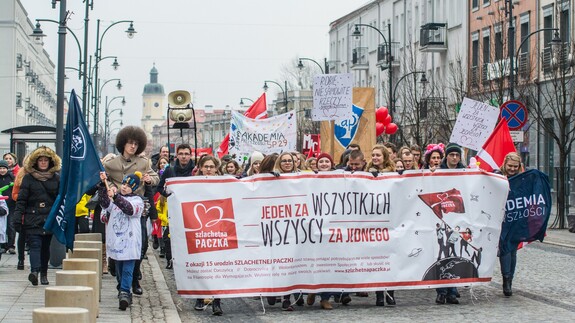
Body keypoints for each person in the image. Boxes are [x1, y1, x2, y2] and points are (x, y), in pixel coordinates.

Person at [103, 126, 159, 296]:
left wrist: (150, 180)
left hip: (136, 208)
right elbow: (103, 179)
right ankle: (120, 275)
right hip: (117, 209)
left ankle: (134, 278)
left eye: (136, 143)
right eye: (130, 143)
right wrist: (111, 187)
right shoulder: (111, 164)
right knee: (118, 243)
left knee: (140, 245)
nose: (133, 146)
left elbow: (156, 178)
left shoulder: (144, 162)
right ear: (123, 144)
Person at [14, 146, 61, 286]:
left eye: (46, 160)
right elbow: (22, 199)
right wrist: (17, 217)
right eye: (40, 160)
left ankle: (44, 274)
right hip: (32, 216)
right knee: (35, 245)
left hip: (49, 217)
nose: (43, 163)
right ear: (35, 162)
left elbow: (59, 199)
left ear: (50, 162)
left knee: (45, 247)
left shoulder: (56, 178)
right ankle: (35, 271)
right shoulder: (28, 179)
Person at [99, 171, 144, 311]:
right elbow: (105, 205)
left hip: (130, 241)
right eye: (123, 184)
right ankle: (122, 288)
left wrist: (116, 197)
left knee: (128, 269)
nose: (124, 187)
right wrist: (102, 185)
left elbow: (129, 210)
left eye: (128, 186)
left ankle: (125, 292)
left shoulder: (137, 201)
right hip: (117, 240)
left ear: (134, 188)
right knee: (118, 268)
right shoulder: (114, 198)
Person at [192, 156, 224, 315]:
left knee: (217, 267)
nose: (209, 169)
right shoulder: (192, 184)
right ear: (201, 168)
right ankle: (199, 297)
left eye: (212, 166)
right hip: (199, 229)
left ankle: (217, 302)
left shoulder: (224, 183)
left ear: (217, 168)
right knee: (201, 265)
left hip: (218, 229)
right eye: (206, 166)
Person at [498, 152, 524, 297]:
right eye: (510, 166)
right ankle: (506, 278)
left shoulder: (522, 179)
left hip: (515, 219)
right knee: (505, 249)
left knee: (512, 250)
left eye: (515, 166)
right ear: (505, 164)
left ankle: (509, 280)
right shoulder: (497, 175)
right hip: (500, 219)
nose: (512, 169)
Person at [0, 160, 15, 255]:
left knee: (10, 226)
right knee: (2, 227)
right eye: (0, 168)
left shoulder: (12, 178)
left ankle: (11, 245)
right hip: (1, 206)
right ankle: (3, 245)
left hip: (11, 205)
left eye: (4, 168)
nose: (2, 170)